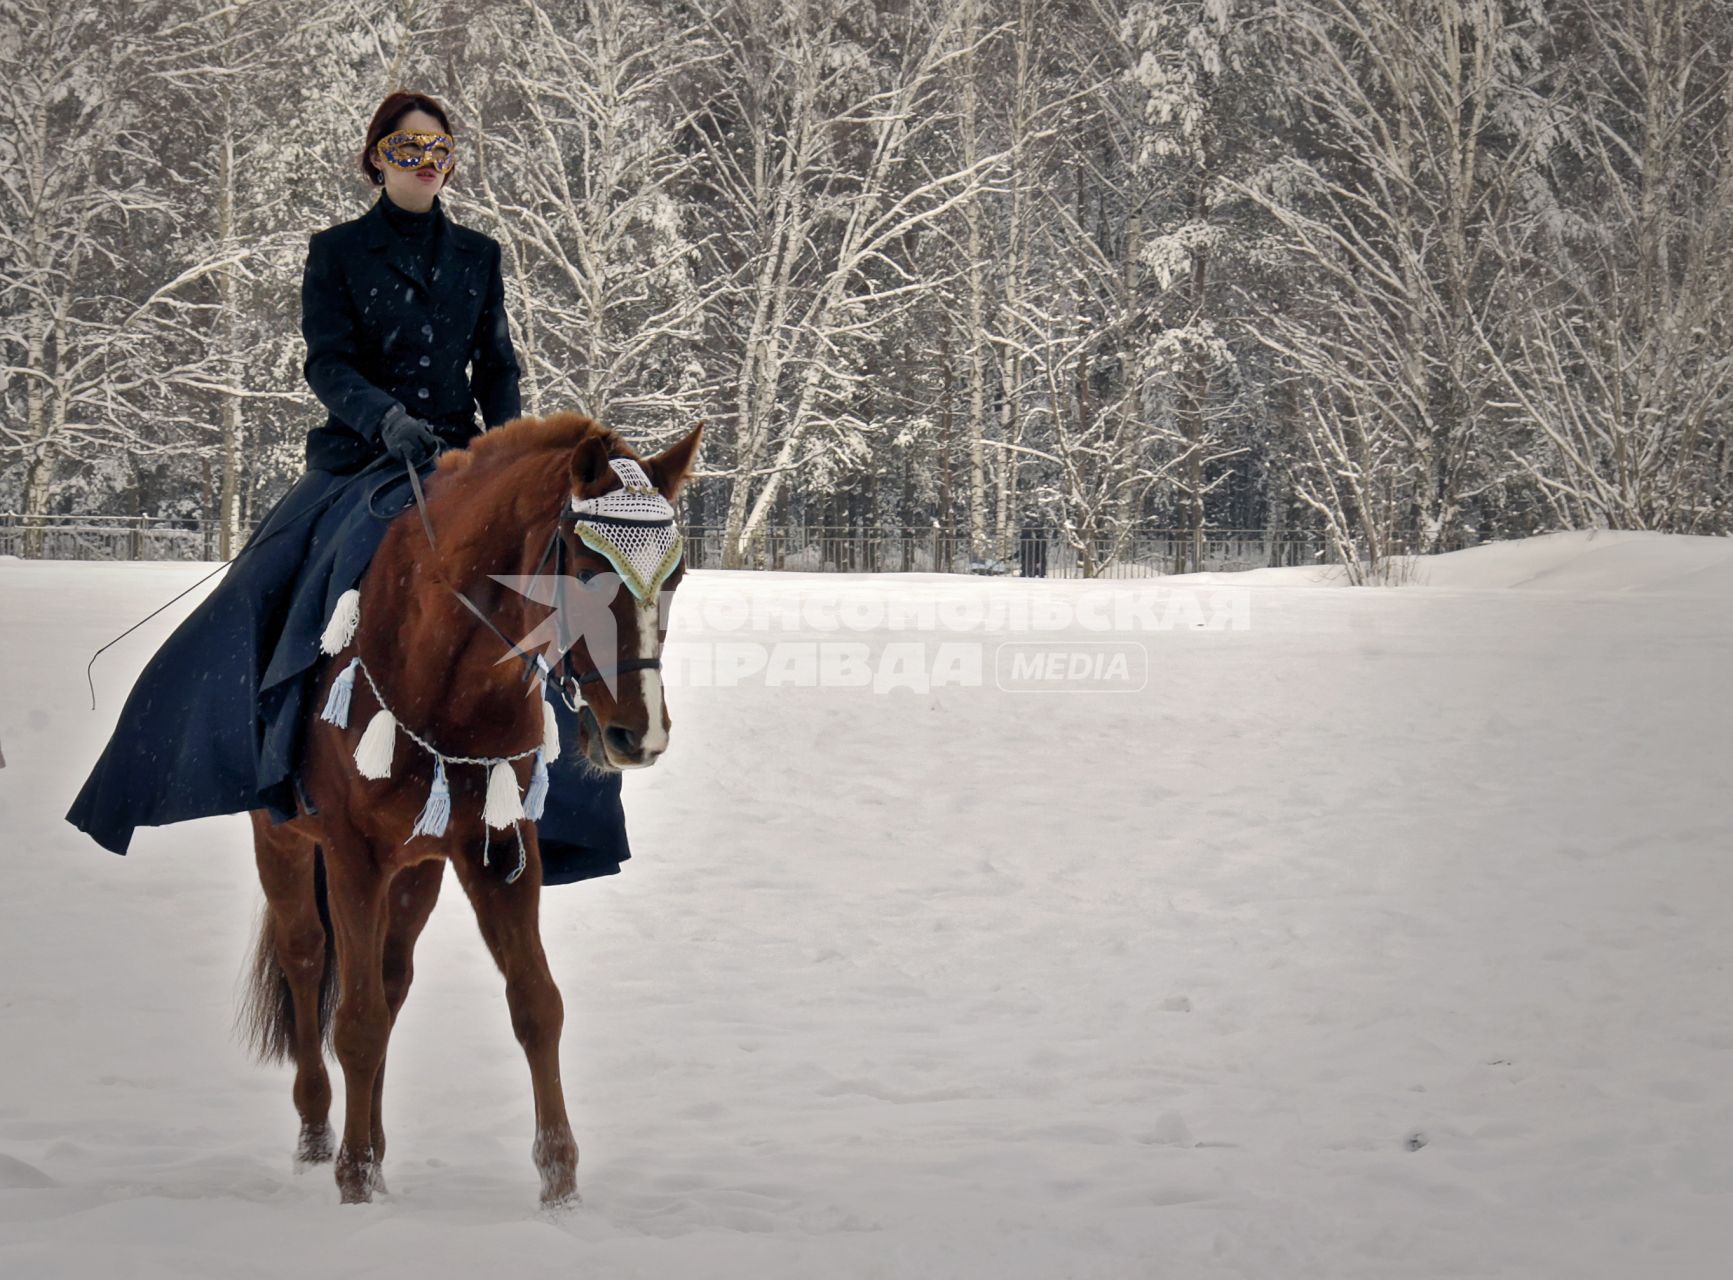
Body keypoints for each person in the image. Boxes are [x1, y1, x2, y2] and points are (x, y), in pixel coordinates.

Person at [66, 91, 629, 885]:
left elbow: (497, 364)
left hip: (464, 460)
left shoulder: (479, 254)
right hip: (361, 455)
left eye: (439, 151)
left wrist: (506, 455)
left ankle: (568, 810)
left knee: (551, 591)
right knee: (257, 587)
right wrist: (384, 417)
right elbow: (327, 363)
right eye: (407, 151)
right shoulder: (336, 251)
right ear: (375, 159)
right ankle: (268, 762)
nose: (425, 164)